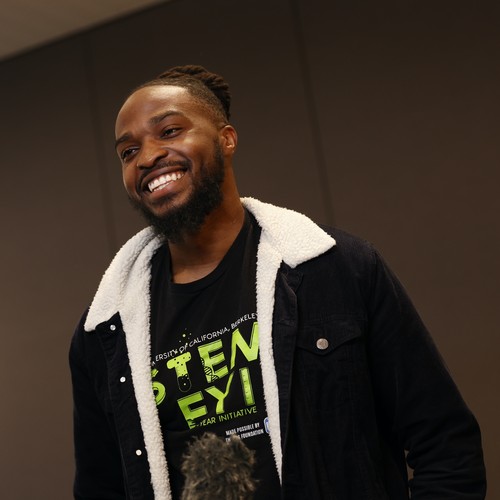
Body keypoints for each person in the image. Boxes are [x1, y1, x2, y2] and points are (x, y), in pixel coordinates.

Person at [69, 65, 486, 500]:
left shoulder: (336, 269)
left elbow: (445, 444)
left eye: (169, 131)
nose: (147, 157)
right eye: (128, 151)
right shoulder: (105, 334)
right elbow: (101, 488)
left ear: (227, 139)